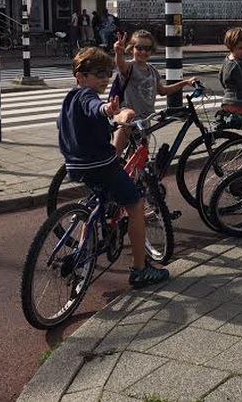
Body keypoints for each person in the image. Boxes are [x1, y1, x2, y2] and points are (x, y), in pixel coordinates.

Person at [58, 47, 169, 288]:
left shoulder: (69, 99)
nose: (105, 78)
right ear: (80, 76)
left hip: (75, 164)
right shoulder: (87, 97)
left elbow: (79, 124)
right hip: (100, 165)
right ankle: (140, 270)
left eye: (107, 73)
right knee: (136, 204)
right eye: (98, 73)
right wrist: (114, 113)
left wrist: (107, 123)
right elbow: (96, 109)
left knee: (99, 200)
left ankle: (91, 233)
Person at [111, 29, 198, 153]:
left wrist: (185, 82)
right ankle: (112, 160)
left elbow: (163, 91)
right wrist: (119, 53)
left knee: (139, 159)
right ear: (132, 49)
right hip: (127, 117)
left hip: (145, 120)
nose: (143, 52)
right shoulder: (130, 67)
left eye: (147, 48)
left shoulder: (152, 71)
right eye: (139, 48)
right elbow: (121, 65)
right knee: (116, 155)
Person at [219, 27, 242, 115]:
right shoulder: (239, 65)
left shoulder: (227, 60)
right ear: (231, 47)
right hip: (239, 104)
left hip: (226, 102)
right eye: (240, 48)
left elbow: (221, 77)